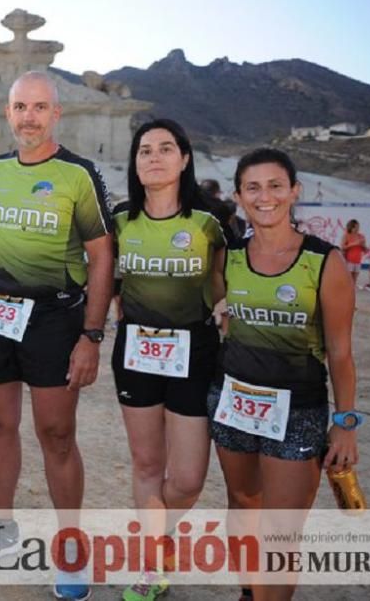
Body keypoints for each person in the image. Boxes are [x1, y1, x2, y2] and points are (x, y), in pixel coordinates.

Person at [0, 72, 112, 601]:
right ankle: (2, 529)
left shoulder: (78, 173)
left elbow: (102, 254)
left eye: (40, 107)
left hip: (54, 318)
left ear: (56, 114)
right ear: (8, 112)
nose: (29, 117)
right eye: (21, 106)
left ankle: (71, 548)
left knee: (56, 434)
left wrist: (91, 335)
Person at [209, 148, 359, 601]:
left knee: (281, 530)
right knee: (243, 504)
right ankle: (249, 592)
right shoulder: (228, 256)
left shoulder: (324, 261)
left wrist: (346, 423)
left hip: (298, 412)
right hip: (233, 400)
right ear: (238, 196)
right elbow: (214, 311)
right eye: (253, 187)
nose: (265, 196)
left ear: (295, 191)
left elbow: (340, 351)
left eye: (276, 185)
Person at [112, 120, 225, 601]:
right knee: (145, 464)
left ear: (184, 158)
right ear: (135, 163)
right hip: (136, 352)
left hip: (194, 353)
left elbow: (223, 286)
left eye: (165, 149)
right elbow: (111, 284)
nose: (153, 158)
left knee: (186, 477)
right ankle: (152, 561)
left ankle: (162, 533)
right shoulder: (119, 219)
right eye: (144, 151)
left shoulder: (210, 222)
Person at [340, 219, 367, 289]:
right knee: (349, 278)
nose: (357, 229)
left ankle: (352, 292)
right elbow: (342, 247)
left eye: (358, 227)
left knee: (354, 279)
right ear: (351, 227)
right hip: (349, 260)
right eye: (355, 227)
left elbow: (365, 250)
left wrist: (363, 246)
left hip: (358, 260)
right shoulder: (346, 235)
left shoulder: (361, 236)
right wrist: (355, 243)